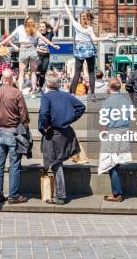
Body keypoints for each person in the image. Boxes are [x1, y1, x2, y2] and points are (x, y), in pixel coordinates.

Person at [38, 73, 86, 205]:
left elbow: (43, 113)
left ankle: (60, 195)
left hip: (53, 133)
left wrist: (44, 126)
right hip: (66, 132)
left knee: (55, 163)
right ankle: (60, 194)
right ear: (58, 83)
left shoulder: (46, 97)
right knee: (57, 162)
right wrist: (71, 118)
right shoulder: (66, 95)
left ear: (47, 84)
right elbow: (81, 107)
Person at [0, 69, 29, 204]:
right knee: (15, 165)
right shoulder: (16, 93)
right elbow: (24, 115)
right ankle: (13, 196)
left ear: (2, 79)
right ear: (11, 78)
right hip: (13, 132)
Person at [0, 16, 59, 97]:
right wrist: (53, 45)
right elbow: (45, 39)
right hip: (32, 49)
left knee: (21, 73)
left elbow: (10, 36)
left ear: (25, 23)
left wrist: (0, 43)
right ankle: (33, 92)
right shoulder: (34, 30)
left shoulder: (20, 27)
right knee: (33, 72)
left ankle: (20, 92)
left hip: (23, 49)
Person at [98, 77, 132, 202]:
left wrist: (103, 135)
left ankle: (117, 193)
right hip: (124, 133)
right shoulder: (127, 101)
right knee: (117, 162)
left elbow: (103, 122)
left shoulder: (107, 102)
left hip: (112, 133)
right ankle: (117, 191)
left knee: (111, 164)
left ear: (109, 87)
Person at [63, 0, 105, 96]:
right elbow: (95, 40)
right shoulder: (89, 28)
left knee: (77, 72)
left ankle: (72, 93)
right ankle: (93, 94)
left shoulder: (77, 25)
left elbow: (69, 14)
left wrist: (65, 4)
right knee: (91, 72)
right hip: (89, 49)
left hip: (80, 49)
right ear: (87, 19)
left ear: (81, 18)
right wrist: (105, 38)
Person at [36, 15, 62, 90]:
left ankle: (40, 87)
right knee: (38, 69)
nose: (41, 28)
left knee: (43, 72)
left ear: (46, 28)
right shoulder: (38, 34)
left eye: (43, 27)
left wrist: (59, 18)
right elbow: (30, 26)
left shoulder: (49, 34)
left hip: (46, 55)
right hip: (38, 54)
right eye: (40, 26)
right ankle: (35, 84)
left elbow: (56, 27)